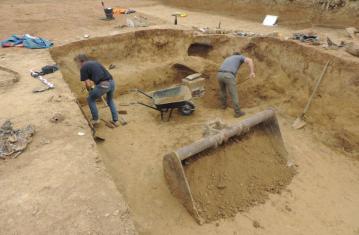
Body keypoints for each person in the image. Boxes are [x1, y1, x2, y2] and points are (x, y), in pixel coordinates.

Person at [74, 54, 119, 126]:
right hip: (112, 82)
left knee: (90, 99)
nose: (77, 65)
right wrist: (94, 88)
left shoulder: (83, 67)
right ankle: (115, 120)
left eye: (77, 63)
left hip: (104, 85)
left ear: (81, 61)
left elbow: (88, 84)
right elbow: (99, 76)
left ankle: (96, 119)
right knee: (110, 100)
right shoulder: (95, 63)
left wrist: (90, 90)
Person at [217, 52, 255, 118]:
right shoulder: (239, 57)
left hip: (219, 75)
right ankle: (238, 112)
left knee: (222, 91)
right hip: (228, 75)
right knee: (233, 94)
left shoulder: (228, 58)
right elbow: (250, 60)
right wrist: (252, 72)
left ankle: (223, 106)